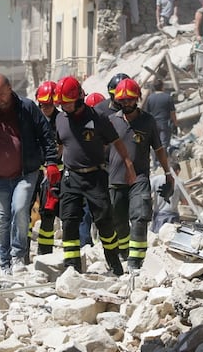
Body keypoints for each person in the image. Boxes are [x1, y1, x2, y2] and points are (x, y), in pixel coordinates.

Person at [0, 74, 58, 274]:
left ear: (9, 88)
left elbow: (46, 134)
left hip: (25, 173)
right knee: (1, 219)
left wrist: (51, 162)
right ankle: (4, 261)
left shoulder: (26, 107)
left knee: (20, 210)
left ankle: (18, 256)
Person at [53, 75, 136, 275]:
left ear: (79, 99)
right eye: (62, 104)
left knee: (104, 221)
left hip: (95, 176)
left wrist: (128, 165)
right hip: (71, 176)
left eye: (68, 103)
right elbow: (59, 145)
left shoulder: (97, 118)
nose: (65, 107)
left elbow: (116, 142)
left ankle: (113, 260)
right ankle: (71, 266)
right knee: (69, 220)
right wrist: (52, 167)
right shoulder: (60, 119)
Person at [107, 78, 173, 271]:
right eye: (123, 100)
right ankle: (125, 253)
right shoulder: (111, 122)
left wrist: (167, 172)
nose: (127, 103)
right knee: (118, 221)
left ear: (137, 99)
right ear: (118, 100)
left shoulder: (147, 121)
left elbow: (159, 148)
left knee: (140, 216)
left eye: (130, 99)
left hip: (139, 178)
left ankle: (136, 262)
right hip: (115, 180)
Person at [33, 81, 63, 256]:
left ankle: (45, 252)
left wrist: (53, 161)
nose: (46, 108)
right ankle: (23, 251)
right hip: (34, 170)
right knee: (26, 211)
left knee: (48, 212)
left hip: (54, 172)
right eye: (44, 105)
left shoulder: (60, 120)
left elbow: (63, 144)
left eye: (50, 105)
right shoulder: (33, 118)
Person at [144, 77, 178, 152]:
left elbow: (147, 113)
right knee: (164, 145)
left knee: (155, 145)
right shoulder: (168, 97)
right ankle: (162, 162)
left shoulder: (150, 98)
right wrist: (175, 124)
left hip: (154, 125)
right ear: (162, 87)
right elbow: (173, 113)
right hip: (165, 124)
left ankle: (156, 162)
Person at [150, 163, 181, 233]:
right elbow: (185, 201)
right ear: (177, 171)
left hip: (158, 216)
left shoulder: (155, 180)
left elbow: (147, 193)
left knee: (157, 237)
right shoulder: (179, 182)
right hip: (173, 217)